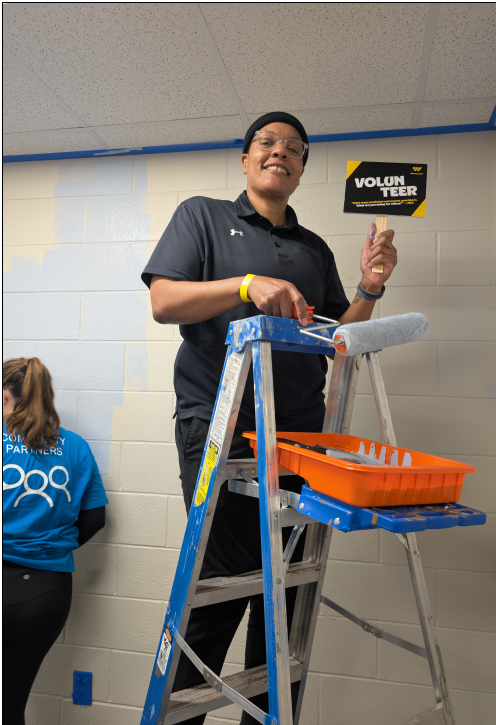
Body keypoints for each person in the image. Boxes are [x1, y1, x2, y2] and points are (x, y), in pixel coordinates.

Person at [142, 111, 398, 723]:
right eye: (267, 142)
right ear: (246, 158)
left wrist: (369, 287)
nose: (279, 151)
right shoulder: (202, 215)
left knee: (280, 603)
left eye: (294, 147)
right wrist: (245, 285)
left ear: (303, 167)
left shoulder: (313, 248)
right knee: (223, 587)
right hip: (222, 430)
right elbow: (163, 301)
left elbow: (342, 339)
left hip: (302, 442)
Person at [2, 357, 109, 725]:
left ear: (6, 397)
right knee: (10, 707)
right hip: (46, 595)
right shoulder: (76, 448)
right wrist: (50, 545)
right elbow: (96, 518)